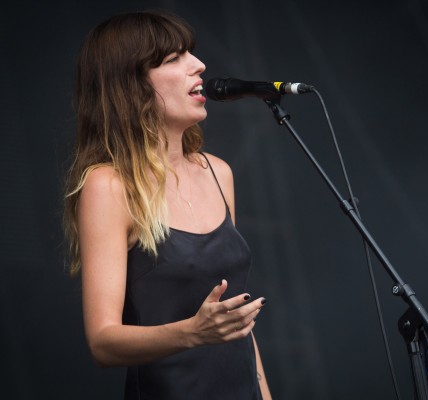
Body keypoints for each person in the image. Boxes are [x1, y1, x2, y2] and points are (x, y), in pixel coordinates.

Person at [63, 10, 271, 400]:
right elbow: (102, 341)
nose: (199, 65)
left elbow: (237, 322)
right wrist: (192, 333)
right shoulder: (108, 186)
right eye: (173, 59)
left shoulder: (218, 172)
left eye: (190, 53)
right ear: (132, 84)